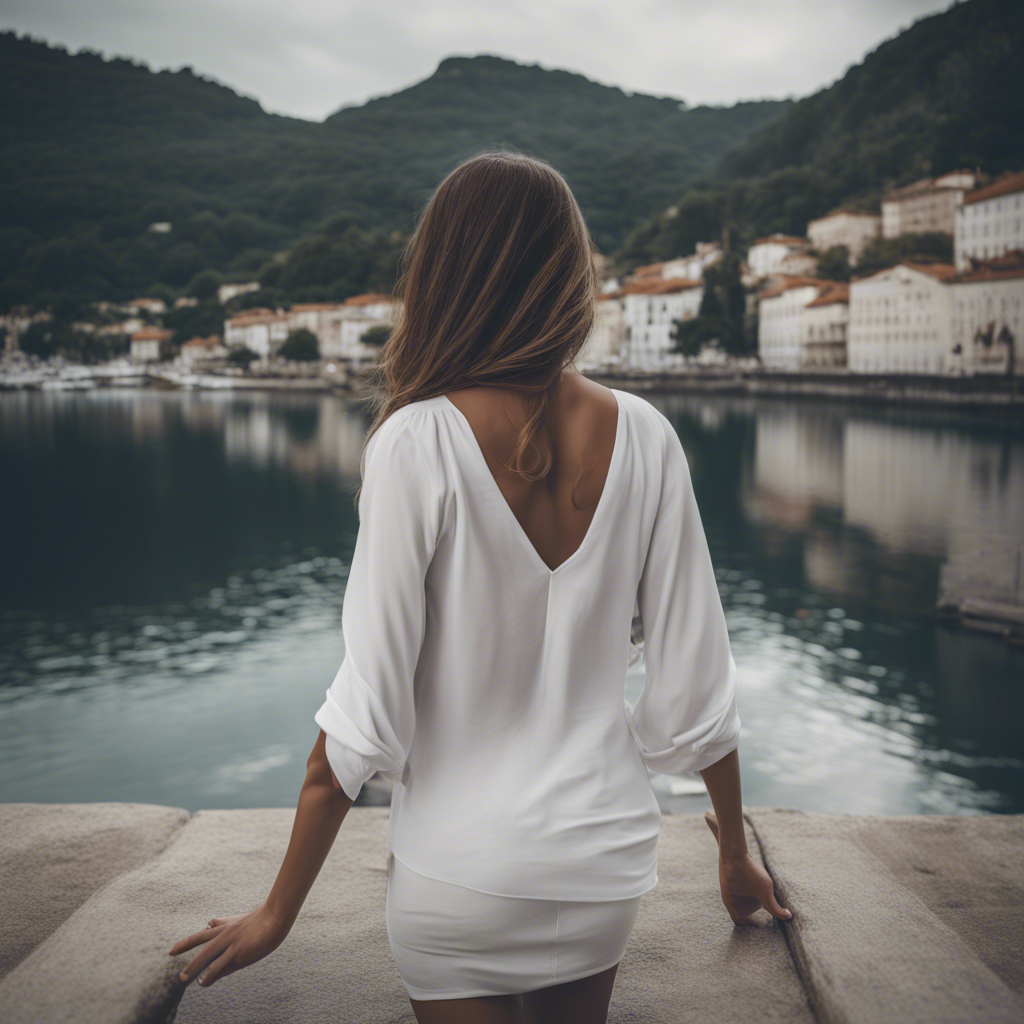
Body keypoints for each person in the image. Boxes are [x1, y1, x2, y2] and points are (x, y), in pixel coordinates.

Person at [168, 150, 794, 1023]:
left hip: (457, 877)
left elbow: (362, 718)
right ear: (569, 275)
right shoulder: (649, 436)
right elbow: (698, 687)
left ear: (445, 276)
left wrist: (279, 913)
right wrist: (730, 854)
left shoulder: (414, 442)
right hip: (601, 869)